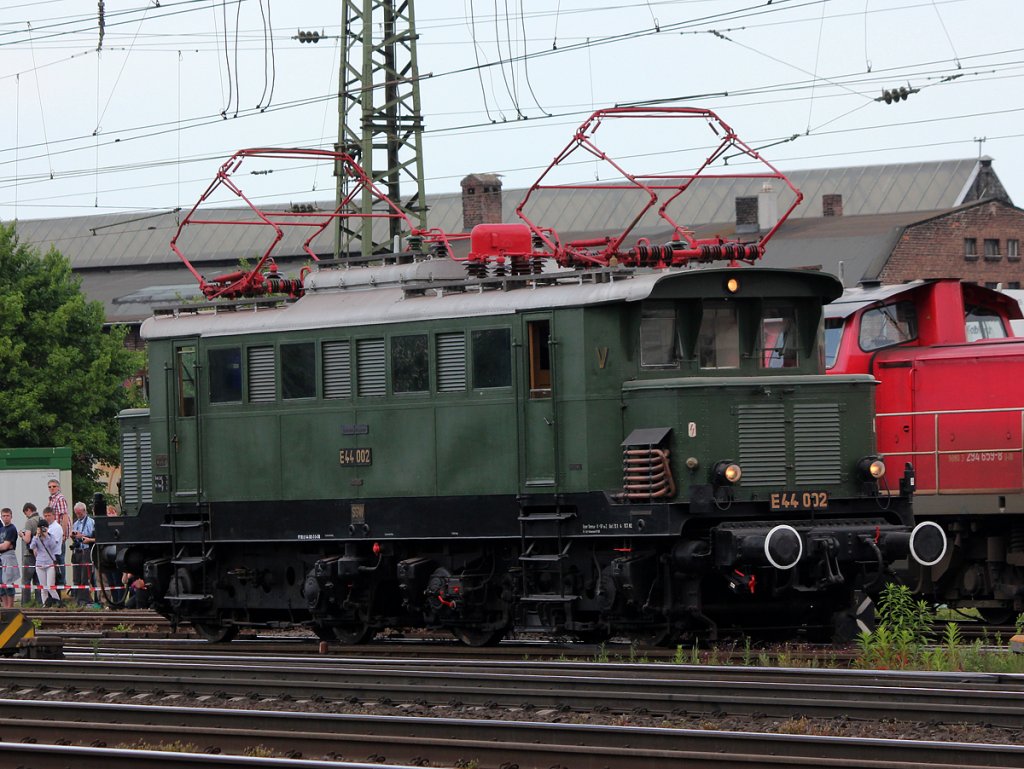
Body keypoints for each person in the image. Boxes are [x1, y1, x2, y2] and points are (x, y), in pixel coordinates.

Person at [28, 520, 61, 607]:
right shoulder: (36, 537)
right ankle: (45, 604)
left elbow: (54, 546)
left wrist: (46, 535)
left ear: (47, 528)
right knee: (43, 588)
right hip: (39, 564)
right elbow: (31, 546)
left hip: (49, 564)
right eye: (41, 527)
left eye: (44, 527)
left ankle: (57, 603)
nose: (43, 529)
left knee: (50, 586)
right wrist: (36, 535)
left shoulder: (51, 536)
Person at [70, 502, 96, 606]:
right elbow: (74, 535)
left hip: (86, 550)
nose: (78, 515)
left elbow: (92, 536)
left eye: (80, 513)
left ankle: (85, 600)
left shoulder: (91, 522)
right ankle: (78, 599)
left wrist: (82, 536)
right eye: (76, 513)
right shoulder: (76, 523)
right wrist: (73, 536)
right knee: (76, 577)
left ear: (84, 511)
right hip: (78, 551)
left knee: (85, 576)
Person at [47, 481, 70, 589]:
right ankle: (57, 583)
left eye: (54, 486)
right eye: (50, 487)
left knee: (60, 559)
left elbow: (64, 516)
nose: (52, 488)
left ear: (58, 487)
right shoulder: (52, 499)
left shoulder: (60, 498)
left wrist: (64, 534)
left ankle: (61, 584)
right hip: (52, 533)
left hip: (58, 534)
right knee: (54, 559)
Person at [20, 502, 40, 605]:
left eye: (25, 513)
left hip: (29, 554)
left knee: (26, 581)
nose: (26, 516)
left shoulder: (30, 522)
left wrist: (21, 535)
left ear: (28, 510)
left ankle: (25, 603)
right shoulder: (41, 520)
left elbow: (27, 540)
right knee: (38, 581)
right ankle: (39, 603)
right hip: (40, 555)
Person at [0, 508, 19, 609]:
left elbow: (6, 546)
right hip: (1, 556)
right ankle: (5, 606)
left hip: (8, 555)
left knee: (8, 582)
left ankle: (10, 607)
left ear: (11, 516)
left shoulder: (12, 528)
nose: (5, 517)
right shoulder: (1, 529)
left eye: (7, 515)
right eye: (4, 516)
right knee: (1, 583)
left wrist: (3, 545)